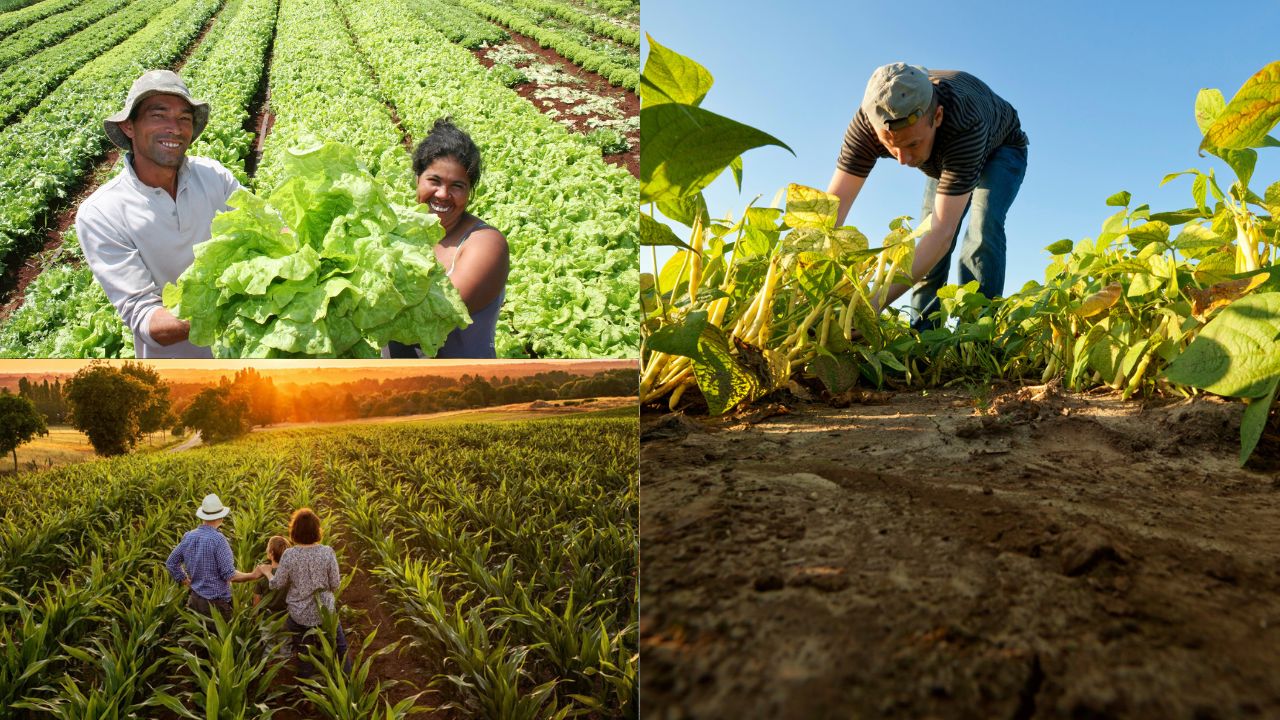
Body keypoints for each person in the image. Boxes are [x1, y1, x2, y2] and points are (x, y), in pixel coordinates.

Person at [828, 63, 1028, 330]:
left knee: (982, 224)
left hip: (1001, 148)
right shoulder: (867, 124)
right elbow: (832, 209)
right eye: (890, 145)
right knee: (925, 242)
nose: (903, 160)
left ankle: (978, 333)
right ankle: (923, 335)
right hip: (942, 156)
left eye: (912, 144)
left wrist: (871, 304)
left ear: (937, 116)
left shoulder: (965, 121)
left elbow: (942, 233)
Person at [76, 70, 242, 358]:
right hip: (180, 377)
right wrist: (236, 304)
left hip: (249, 355)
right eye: (158, 115)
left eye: (184, 118)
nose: (174, 128)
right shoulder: (102, 213)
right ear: (129, 126)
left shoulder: (216, 176)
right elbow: (148, 319)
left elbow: (267, 232)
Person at [385, 118, 509, 358]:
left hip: (459, 384)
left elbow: (440, 312)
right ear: (418, 179)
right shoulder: (400, 229)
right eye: (434, 180)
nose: (442, 194)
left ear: (470, 191)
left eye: (457, 186)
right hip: (393, 381)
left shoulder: (485, 243)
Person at [257, 508, 351, 672]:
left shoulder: (289, 555)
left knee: (304, 651)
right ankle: (347, 680)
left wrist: (267, 573)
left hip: (299, 616)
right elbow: (335, 584)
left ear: (294, 531)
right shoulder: (328, 552)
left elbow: (277, 584)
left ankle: (308, 686)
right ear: (317, 530)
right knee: (340, 647)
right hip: (325, 613)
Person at [165, 494, 261, 619]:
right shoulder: (218, 540)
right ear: (221, 517)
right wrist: (252, 575)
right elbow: (229, 575)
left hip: (194, 600)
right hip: (216, 606)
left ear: (203, 516)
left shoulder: (189, 536)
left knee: (199, 636)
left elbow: (171, 563)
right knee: (219, 638)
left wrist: (187, 582)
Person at [251, 535, 290, 613]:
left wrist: (254, 622)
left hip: (265, 621)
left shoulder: (262, 574)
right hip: (286, 620)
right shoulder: (291, 574)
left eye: (267, 547)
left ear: (271, 553)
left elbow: (256, 604)